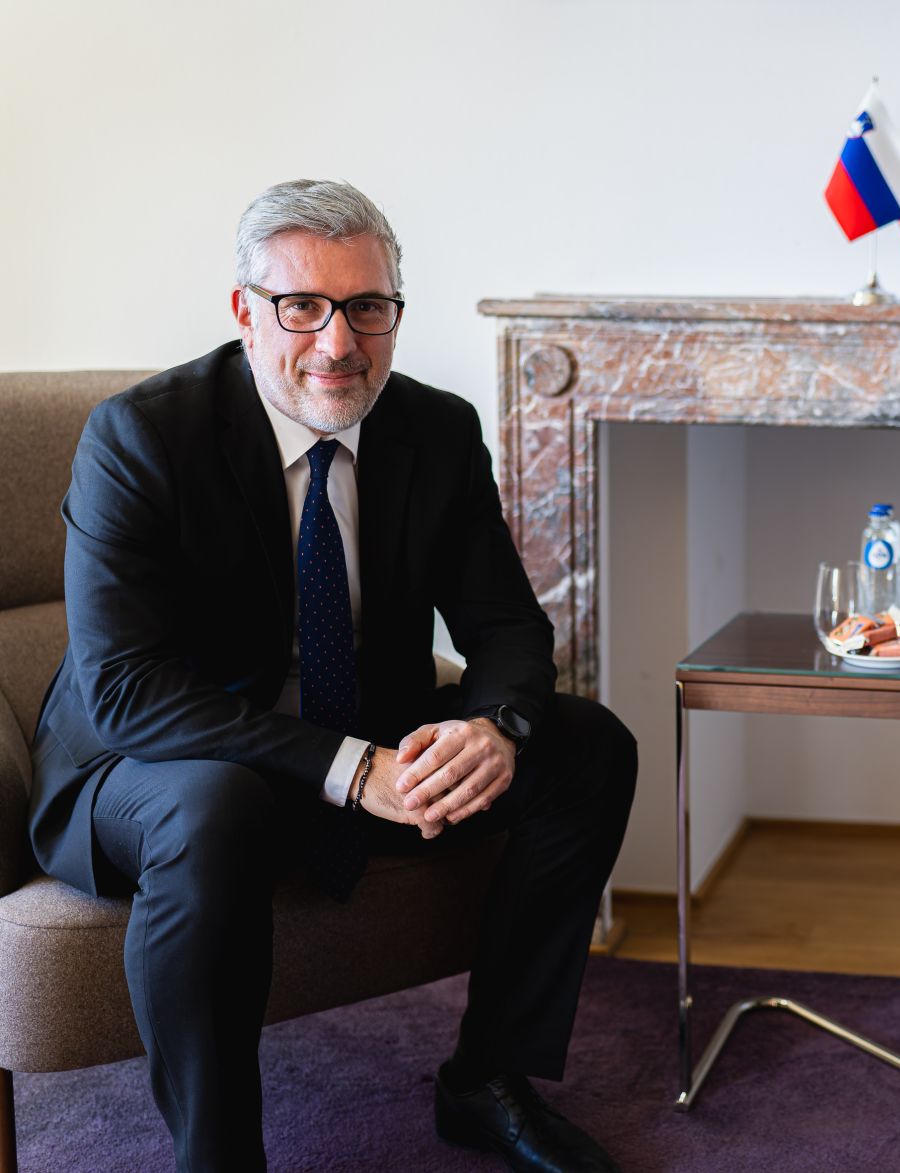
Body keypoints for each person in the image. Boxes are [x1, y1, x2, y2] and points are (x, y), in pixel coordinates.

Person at [29, 179, 638, 1173]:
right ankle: (217, 1156)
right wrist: (355, 769)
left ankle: (487, 1079)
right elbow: (128, 692)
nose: (337, 343)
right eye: (301, 307)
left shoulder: (434, 432)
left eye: (367, 307)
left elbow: (507, 628)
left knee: (586, 746)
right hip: (149, 765)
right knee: (213, 805)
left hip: (363, 738)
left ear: (395, 311)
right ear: (244, 312)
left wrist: (491, 729)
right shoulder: (142, 436)